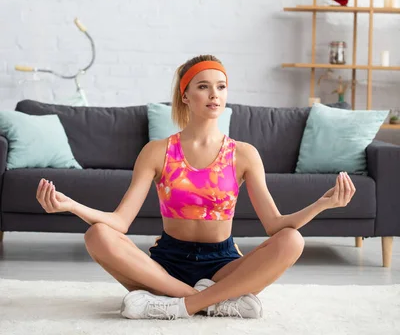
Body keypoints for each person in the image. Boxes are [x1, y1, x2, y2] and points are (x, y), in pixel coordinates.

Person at [36, 54, 356, 320]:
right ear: (186, 95)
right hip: (166, 265)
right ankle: (212, 302)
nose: (214, 94)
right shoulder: (157, 151)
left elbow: (275, 225)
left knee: (292, 241)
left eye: (221, 86)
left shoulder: (243, 154)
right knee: (97, 235)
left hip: (224, 264)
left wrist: (322, 204)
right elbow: (120, 222)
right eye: (203, 87)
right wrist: (71, 206)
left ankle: (177, 306)